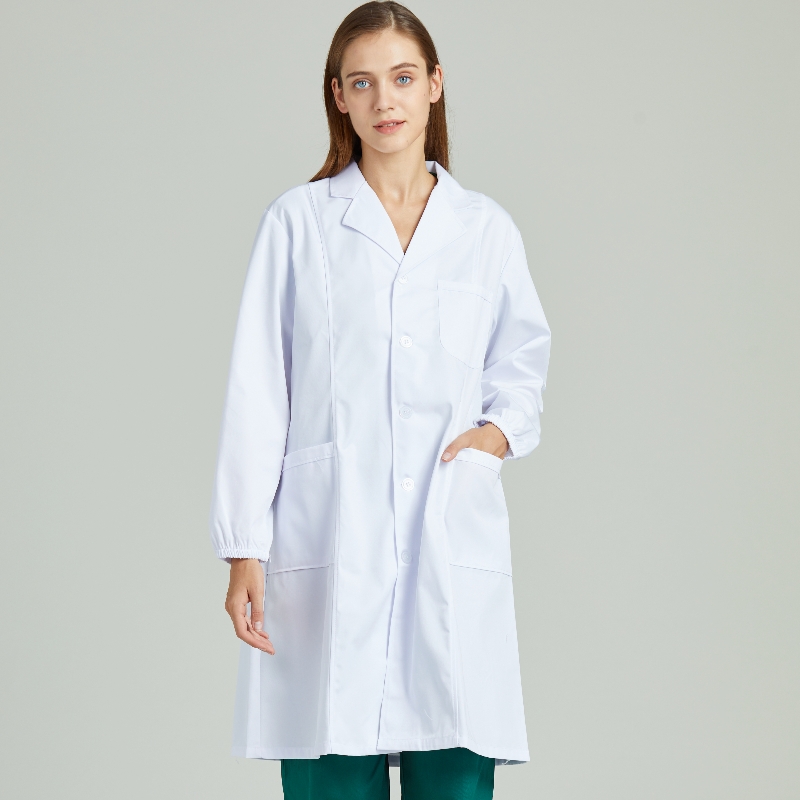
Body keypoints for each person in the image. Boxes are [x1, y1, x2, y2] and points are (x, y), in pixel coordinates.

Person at [209, 2, 551, 797]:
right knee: (331, 761)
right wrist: (243, 547)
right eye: (361, 83)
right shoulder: (298, 224)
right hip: (328, 534)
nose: (384, 100)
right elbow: (258, 388)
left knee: (453, 762)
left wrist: (497, 433)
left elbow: (523, 360)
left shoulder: (484, 229)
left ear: (435, 84)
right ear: (338, 96)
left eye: (401, 78)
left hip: (446, 526)